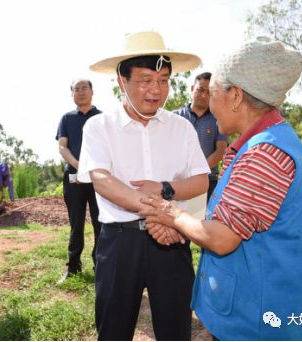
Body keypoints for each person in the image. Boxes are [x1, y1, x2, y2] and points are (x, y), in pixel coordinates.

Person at [140, 38, 302, 340]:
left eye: (213, 92)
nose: (209, 101)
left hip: (255, 324)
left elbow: (222, 238)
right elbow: (235, 219)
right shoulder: (260, 145)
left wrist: (170, 213)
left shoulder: (264, 154)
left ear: (235, 96)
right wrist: (185, 227)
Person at [78, 31, 210, 340]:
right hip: (120, 242)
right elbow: (101, 179)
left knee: (176, 328)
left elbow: (201, 180)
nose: (156, 90)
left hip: (173, 241)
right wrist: (160, 211)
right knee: (113, 328)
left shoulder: (182, 128)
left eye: (164, 80)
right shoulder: (99, 127)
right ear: (121, 81)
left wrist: (166, 190)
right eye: (146, 80)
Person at [55, 78, 102, 283]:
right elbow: (62, 146)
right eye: (77, 89)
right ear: (72, 94)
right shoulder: (66, 118)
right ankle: (73, 266)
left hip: (98, 177)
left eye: (85, 88)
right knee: (76, 223)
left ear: (92, 92)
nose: (81, 92)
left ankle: (101, 265)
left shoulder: (102, 118)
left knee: (101, 221)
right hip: (73, 176)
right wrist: (78, 164)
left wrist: (91, 167)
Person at [173, 72, 228, 201]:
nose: (203, 95)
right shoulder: (174, 117)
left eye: (208, 92)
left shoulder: (218, 119)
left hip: (209, 182)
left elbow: (221, 151)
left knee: (204, 220)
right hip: (176, 183)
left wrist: (197, 172)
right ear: (192, 89)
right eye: (200, 90)